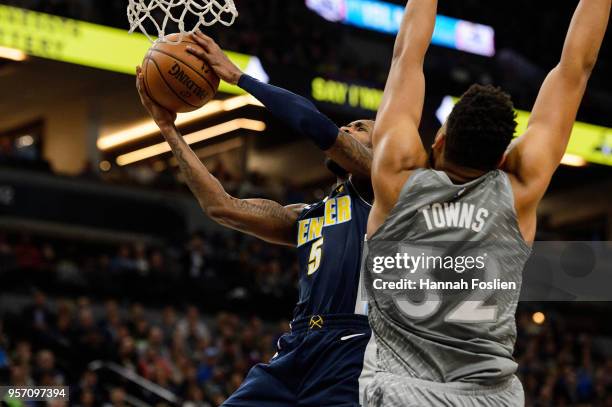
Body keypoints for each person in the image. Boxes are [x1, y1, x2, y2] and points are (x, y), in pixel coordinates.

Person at [364, 0, 610, 406]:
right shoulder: (519, 190)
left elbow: (407, 55)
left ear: (438, 141)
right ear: (501, 159)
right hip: (489, 397)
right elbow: (575, 69)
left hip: (402, 389)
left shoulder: (396, 178)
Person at [136, 31, 377, 406]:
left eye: (360, 128)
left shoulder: (380, 186)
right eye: (350, 125)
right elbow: (222, 206)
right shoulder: (306, 215)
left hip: (353, 346)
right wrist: (169, 129)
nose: (348, 128)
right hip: (297, 344)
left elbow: (319, 127)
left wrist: (239, 77)